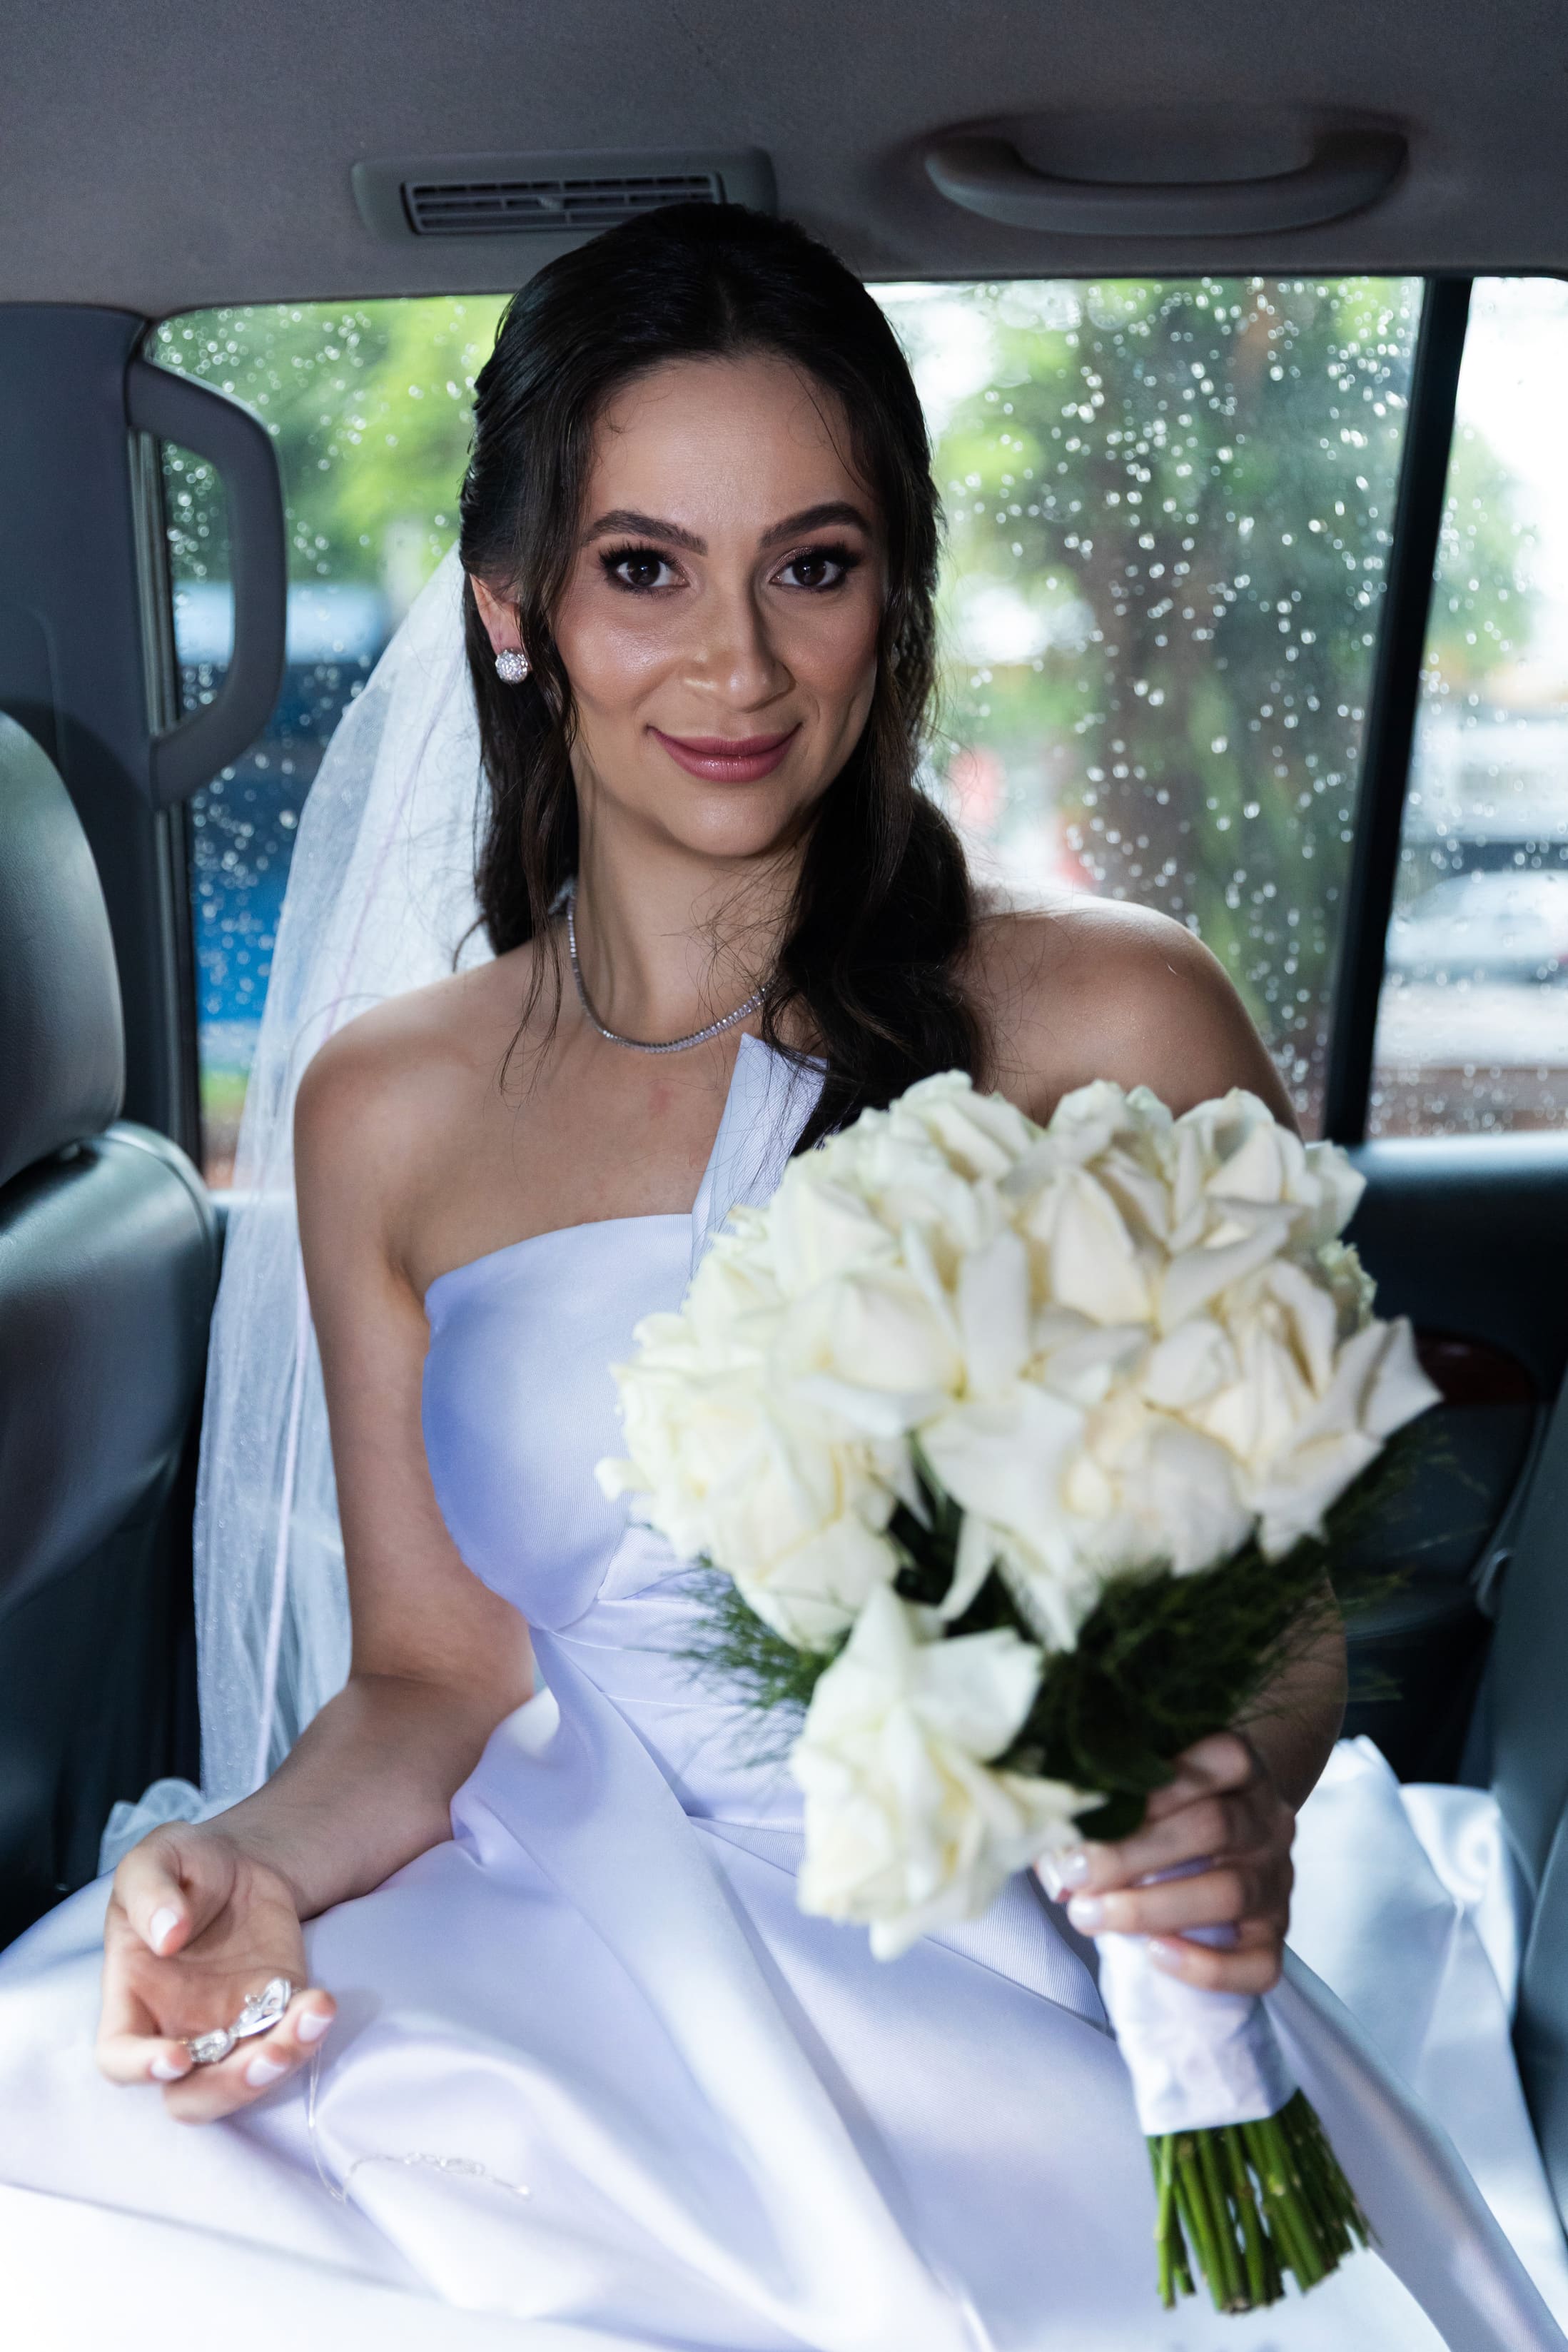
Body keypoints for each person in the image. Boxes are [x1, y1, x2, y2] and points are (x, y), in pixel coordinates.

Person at [0, 203, 1560, 2352]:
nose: (735, 664)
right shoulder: (385, 1110)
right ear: (515, 610)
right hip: (565, 1938)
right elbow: (433, 1687)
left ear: (890, 596)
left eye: (808, 566)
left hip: (1014, 1964)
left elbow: (1271, 1629)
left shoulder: (1117, 1025)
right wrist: (254, 1861)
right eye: (646, 567)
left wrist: (1226, 1803)